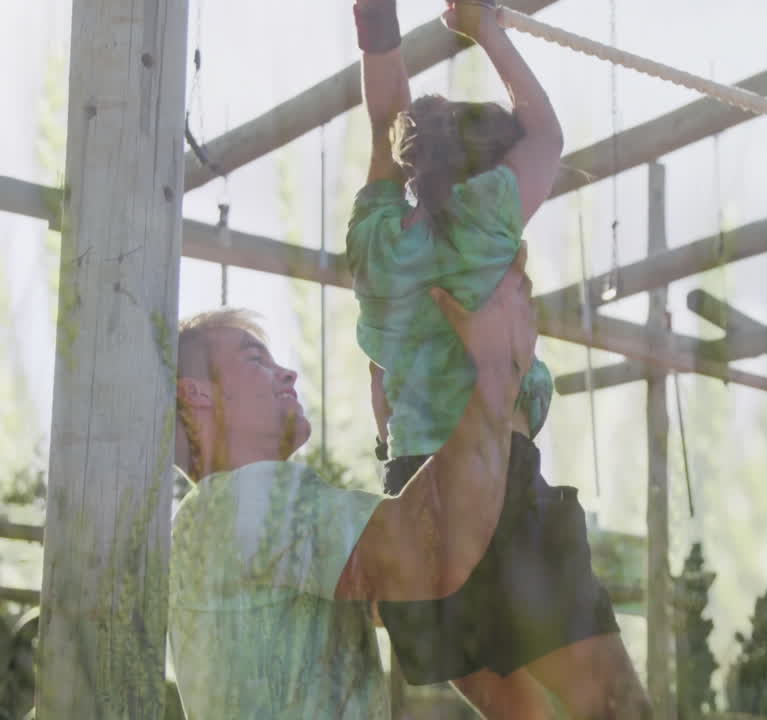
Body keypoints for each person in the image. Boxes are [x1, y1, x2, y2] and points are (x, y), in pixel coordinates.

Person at [346, 0, 649, 716]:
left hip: (412, 503)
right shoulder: (486, 218)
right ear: (489, 171)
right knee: (618, 711)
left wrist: (375, 20)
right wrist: (485, 30)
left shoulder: (378, 244)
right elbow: (546, 132)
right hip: (490, 479)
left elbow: (382, 118)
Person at [167, 253, 538, 719]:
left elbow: (419, 606)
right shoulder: (246, 499)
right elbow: (421, 557)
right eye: (256, 359)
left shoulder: (218, 517)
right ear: (194, 393)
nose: (288, 373)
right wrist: (495, 369)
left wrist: (405, 448)